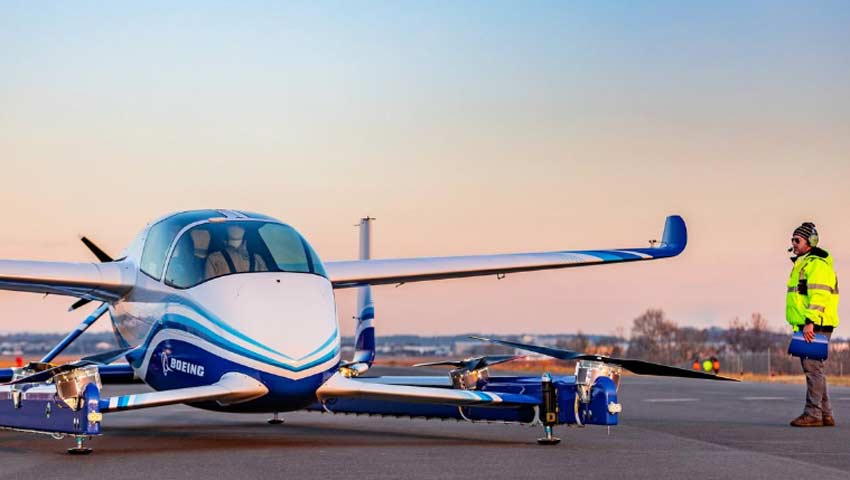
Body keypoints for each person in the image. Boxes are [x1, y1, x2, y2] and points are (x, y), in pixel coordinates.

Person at [786, 222, 840, 427]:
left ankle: (813, 414)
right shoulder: (804, 263)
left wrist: (810, 322)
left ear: (810, 242)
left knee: (813, 369)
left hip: (814, 324)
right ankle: (825, 414)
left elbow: (819, 296)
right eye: (792, 239)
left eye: (797, 240)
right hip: (809, 323)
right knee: (814, 367)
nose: (793, 243)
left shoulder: (816, 264)